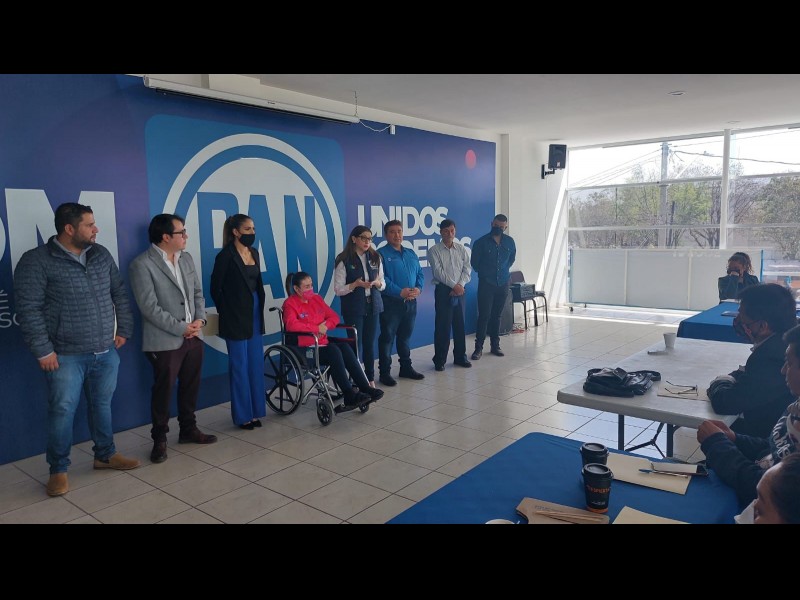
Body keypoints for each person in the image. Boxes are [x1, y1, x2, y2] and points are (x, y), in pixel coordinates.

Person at [14, 202, 140, 497]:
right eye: (89, 225)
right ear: (69, 229)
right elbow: (29, 309)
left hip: (104, 350)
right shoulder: (36, 260)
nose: (96, 229)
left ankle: (105, 455)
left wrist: (124, 328)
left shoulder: (100, 254)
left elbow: (118, 292)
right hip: (65, 355)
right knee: (62, 410)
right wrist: (43, 350)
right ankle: (58, 469)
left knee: (102, 405)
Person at [129, 214, 218, 464]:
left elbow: (197, 293)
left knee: (191, 385)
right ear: (166, 236)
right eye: (182, 232)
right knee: (163, 390)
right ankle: (159, 438)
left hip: (194, 336)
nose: (186, 236)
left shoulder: (186, 259)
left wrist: (200, 320)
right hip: (165, 339)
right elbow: (149, 307)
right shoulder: (141, 264)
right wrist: (181, 328)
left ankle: (188, 429)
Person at [697, 323, 800, 506]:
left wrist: (716, 444)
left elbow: (760, 486)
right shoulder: (795, 407)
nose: (783, 370)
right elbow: (775, 447)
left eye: (790, 363)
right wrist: (735, 438)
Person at [705, 283, 796, 437]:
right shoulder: (789, 339)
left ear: (762, 326)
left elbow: (726, 403)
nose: (738, 321)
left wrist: (720, 381)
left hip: (769, 436)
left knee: (711, 430)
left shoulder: (771, 356)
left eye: (742, 318)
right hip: (777, 422)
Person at [283, 271, 384, 407]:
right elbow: (291, 325)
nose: (310, 289)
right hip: (304, 348)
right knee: (333, 351)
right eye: (306, 286)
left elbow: (334, 317)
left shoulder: (316, 299)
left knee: (345, 347)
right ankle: (349, 394)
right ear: (296, 288)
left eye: (311, 285)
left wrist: (324, 326)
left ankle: (365, 387)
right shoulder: (290, 304)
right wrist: (316, 328)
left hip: (322, 343)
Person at [209, 214, 267, 430]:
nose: (252, 233)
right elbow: (215, 288)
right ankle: (243, 416)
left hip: (254, 312)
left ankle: (256, 411)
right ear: (235, 232)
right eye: (247, 229)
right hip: (234, 315)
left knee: (255, 363)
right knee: (239, 365)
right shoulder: (225, 256)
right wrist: (227, 310)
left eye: (253, 229)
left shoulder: (254, 252)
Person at [334, 225, 385, 387]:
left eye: (370, 238)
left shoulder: (375, 257)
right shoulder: (344, 259)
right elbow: (338, 290)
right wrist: (355, 285)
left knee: (369, 343)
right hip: (354, 308)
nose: (367, 241)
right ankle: (356, 379)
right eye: (363, 238)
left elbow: (383, 282)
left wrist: (377, 283)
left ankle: (370, 378)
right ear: (354, 239)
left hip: (373, 305)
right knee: (356, 344)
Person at [377, 219, 425, 386]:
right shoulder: (380, 254)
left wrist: (418, 288)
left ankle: (405, 368)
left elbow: (420, 273)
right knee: (387, 338)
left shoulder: (410, 253)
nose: (397, 235)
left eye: (399, 231)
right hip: (391, 303)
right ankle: (384, 373)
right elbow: (381, 279)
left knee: (405, 337)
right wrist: (399, 291)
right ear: (386, 235)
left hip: (410, 303)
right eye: (392, 232)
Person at [470, 214, 516, 360]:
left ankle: (495, 346)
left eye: (502, 227)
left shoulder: (510, 242)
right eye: (496, 226)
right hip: (486, 284)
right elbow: (475, 264)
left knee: (497, 316)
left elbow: (511, 260)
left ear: (506, 227)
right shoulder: (481, 242)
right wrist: (487, 273)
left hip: (503, 283)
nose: (498, 229)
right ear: (491, 224)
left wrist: (502, 272)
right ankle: (478, 348)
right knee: (484, 316)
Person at [428, 218, 473, 371]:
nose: (449, 234)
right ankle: (439, 360)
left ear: (455, 231)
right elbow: (438, 272)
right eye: (446, 231)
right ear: (441, 232)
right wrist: (454, 286)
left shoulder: (461, 249)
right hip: (443, 291)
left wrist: (460, 285)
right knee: (443, 326)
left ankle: (460, 357)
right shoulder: (434, 250)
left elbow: (467, 269)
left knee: (460, 326)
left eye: (452, 230)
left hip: (461, 290)